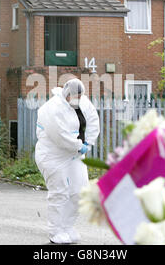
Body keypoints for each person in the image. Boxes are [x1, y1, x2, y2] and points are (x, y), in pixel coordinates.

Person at [35, 78, 100, 244]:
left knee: (80, 191)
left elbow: (93, 121)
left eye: (80, 95)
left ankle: (67, 227)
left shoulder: (84, 103)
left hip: (75, 154)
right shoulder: (51, 108)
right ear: (66, 94)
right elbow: (60, 135)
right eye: (74, 96)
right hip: (52, 155)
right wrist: (78, 145)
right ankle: (55, 231)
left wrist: (88, 143)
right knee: (59, 192)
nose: (77, 99)